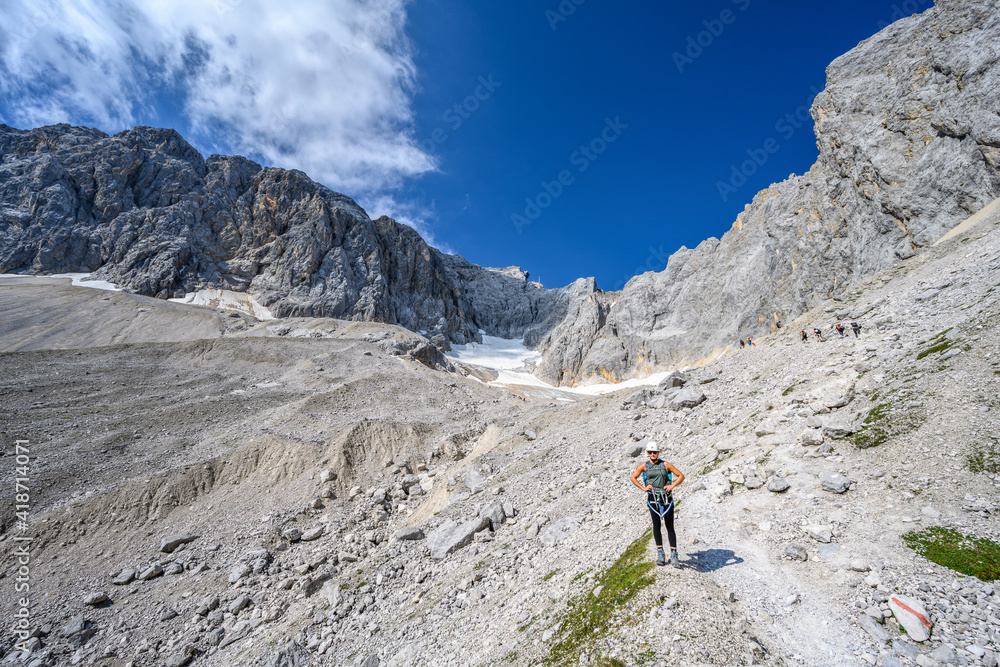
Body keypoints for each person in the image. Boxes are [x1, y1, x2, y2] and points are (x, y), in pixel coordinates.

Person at [630, 442, 685, 567]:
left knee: (669, 525)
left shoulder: (665, 464)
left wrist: (672, 485)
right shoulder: (644, 466)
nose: (653, 454)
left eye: (655, 452)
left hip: (666, 497)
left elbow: (681, 476)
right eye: (650, 452)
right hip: (653, 497)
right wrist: (644, 488)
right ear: (648, 453)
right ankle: (660, 553)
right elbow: (633, 477)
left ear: (658, 452)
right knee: (656, 525)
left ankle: (674, 554)